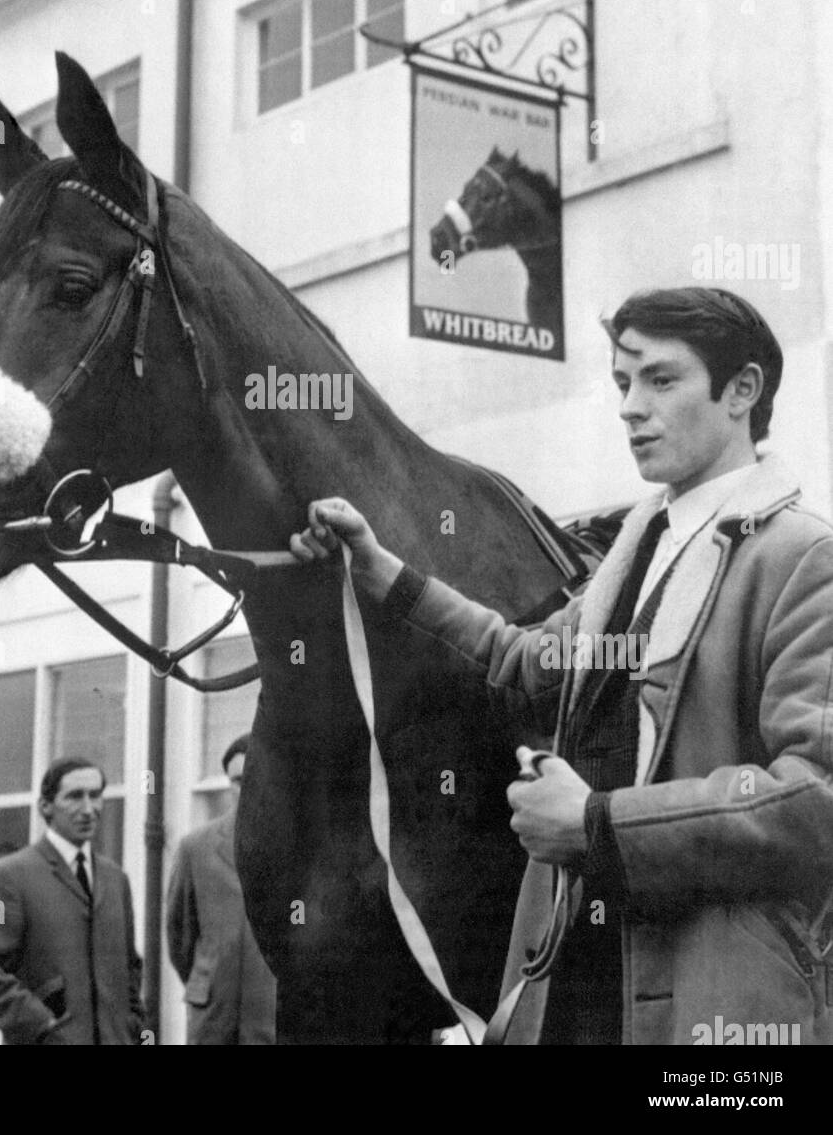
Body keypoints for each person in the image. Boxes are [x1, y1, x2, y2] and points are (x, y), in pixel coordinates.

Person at [290, 287, 833, 1046]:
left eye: (661, 380)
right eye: (621, 383)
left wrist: (596, 824)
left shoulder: (804, 558)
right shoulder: (637, 555)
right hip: (573, 989)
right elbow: (518, 657)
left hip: (717, 1015)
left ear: (742, 390)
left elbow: (815, 804)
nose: (630, 407)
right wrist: (385, 575)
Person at [0, 757, 145, 1045]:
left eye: (95, 796)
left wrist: (134, 1026)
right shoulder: (7, 878)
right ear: (45, 806)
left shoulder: (115, 879)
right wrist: (42, 1025)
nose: (88, 809)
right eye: (74, 797)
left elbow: (130, 968)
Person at [166, 734, 277, 1044]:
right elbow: (180, 937)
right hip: (214, 1018)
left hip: (276, 1017)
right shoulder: (196, 848)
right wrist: (212, 979)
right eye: (240, 780)